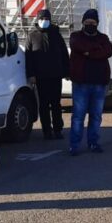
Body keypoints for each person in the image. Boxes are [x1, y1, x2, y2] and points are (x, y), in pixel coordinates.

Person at [69, 9, 112, 156]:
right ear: (83, 23)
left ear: (97, 24)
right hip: (81, 83)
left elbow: (108, 52)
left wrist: (89, 53)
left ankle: (93, 142)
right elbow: (79, 47)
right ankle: (74, 145)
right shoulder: (76, 36)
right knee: (78, 116)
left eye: (92, 23)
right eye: (87, 22)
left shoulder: (103, 38)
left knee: (96, 116)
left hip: (99, 83)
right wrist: (95, 51)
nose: (90, 25)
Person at [26, 9, 70, 140]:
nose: (44, 21)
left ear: (50, 20)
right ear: (37, 19)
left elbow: (64, 55)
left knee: (56, 104)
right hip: (40, 77)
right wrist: (31, 74)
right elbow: (28, 57)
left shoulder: (56, 34)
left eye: (46, 19)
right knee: (43, 105)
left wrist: (67, 71)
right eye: (42, 19)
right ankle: (46, 131)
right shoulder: (32, 36)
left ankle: (58, 129)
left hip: (55, 75)